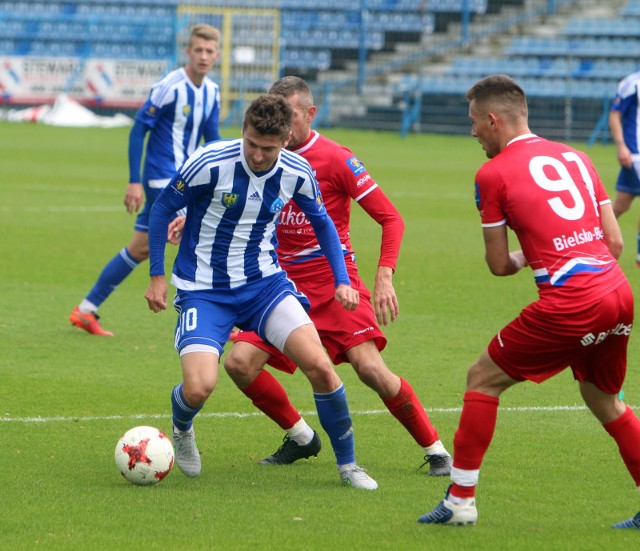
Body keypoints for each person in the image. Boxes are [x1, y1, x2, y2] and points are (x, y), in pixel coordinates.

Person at [418, 74, 640, 528]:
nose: (472, 131)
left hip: (572, 301)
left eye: (475, 122)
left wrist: (528, 256)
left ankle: (460, 501)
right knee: (605, 400)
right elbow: (614, 243)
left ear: (494, 120)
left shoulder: (492, 173)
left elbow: (499, 265)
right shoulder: (576, 157)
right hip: (617, 292)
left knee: (482, 378)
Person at [218, 76, 451, 475]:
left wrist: (383, 276)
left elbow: (391, 218)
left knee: (370, 369)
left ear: (310, 113)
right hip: (279, 286)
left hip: (334, 282)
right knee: (239, 362)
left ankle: (437, 450)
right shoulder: (260, 156)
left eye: (290, 116)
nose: (282, 128)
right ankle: (301, 437)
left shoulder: (336, 158)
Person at [145, 93, 378, 490]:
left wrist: (342, 279)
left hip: (264, 285)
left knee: (320, 366)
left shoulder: (297, 171)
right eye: (251, 144)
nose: (257, 155)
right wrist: (156, 276)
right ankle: (181, 426)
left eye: (267, 148)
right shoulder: (210, 161)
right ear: (243, 131)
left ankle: (349, 465)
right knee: (200, 386)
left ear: (286, 138)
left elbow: (323, 224)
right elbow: (163, 207)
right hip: (205, 289)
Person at [69, 24, 222, 336]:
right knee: (206, 233)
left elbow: (213, 139)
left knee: (139, 248)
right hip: (161, 177)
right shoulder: (170, 86)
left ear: (216, 54)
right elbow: (139, 128)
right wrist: (134, 180)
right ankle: (224, 315)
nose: (203, 56)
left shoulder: (211, 91)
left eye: (209, 51)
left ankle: (86, 309)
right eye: (198, 50)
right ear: (188, 51)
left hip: (186, 177)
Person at [610, 70, 640, 266]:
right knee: (621, 205)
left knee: (621, 204)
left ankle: (587, 239)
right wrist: (621, 145)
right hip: (635, 154)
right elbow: (614, 115)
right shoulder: (633, 83)